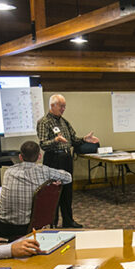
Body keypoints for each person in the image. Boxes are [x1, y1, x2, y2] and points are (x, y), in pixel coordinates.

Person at [36, 93, 98, 229]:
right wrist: (55, 140)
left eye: (64, 106)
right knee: (54, 190)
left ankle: (68, 220)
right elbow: (43, 144)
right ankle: (52, 222)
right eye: (61, 106)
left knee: (67, 191)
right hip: (53, 159)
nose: (63, 109)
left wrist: (84, 140)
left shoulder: (64, 122)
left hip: (66, 158)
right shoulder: (44, 122)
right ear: (52, 106)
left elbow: (73, 140)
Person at [0, 141, 73, 241]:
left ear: (20, 157)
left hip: (2, 226)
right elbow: (68, 177)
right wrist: (55, 180)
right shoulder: (44, 171)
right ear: (39, 156)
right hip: (28, 227)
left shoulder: (8, 172)